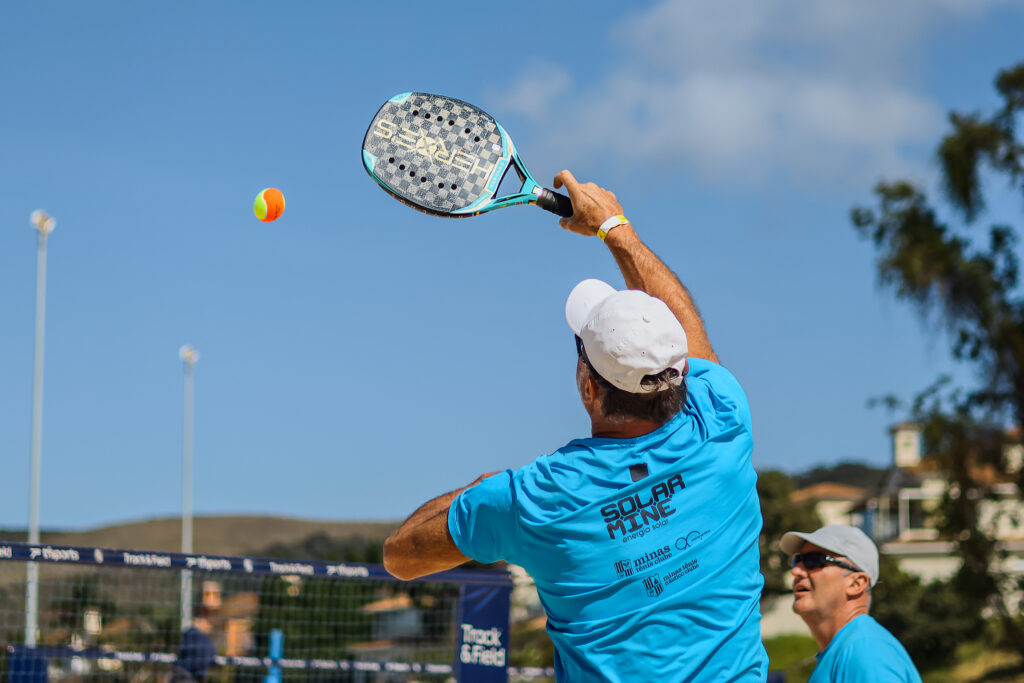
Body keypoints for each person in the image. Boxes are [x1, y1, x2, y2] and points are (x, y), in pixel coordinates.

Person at [383, 170, 767, 681]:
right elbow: (694, 337)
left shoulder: (536, 498)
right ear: (678, 371)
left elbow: (401, 556)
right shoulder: (720, 418)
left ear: (590, 388)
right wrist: (615, 226)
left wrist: (478, 493)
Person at [781, 524, 922, 682]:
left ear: (856, 584)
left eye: (813, 560)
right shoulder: (850, 649)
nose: (796, 571)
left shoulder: (867, 650)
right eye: (797, 560)